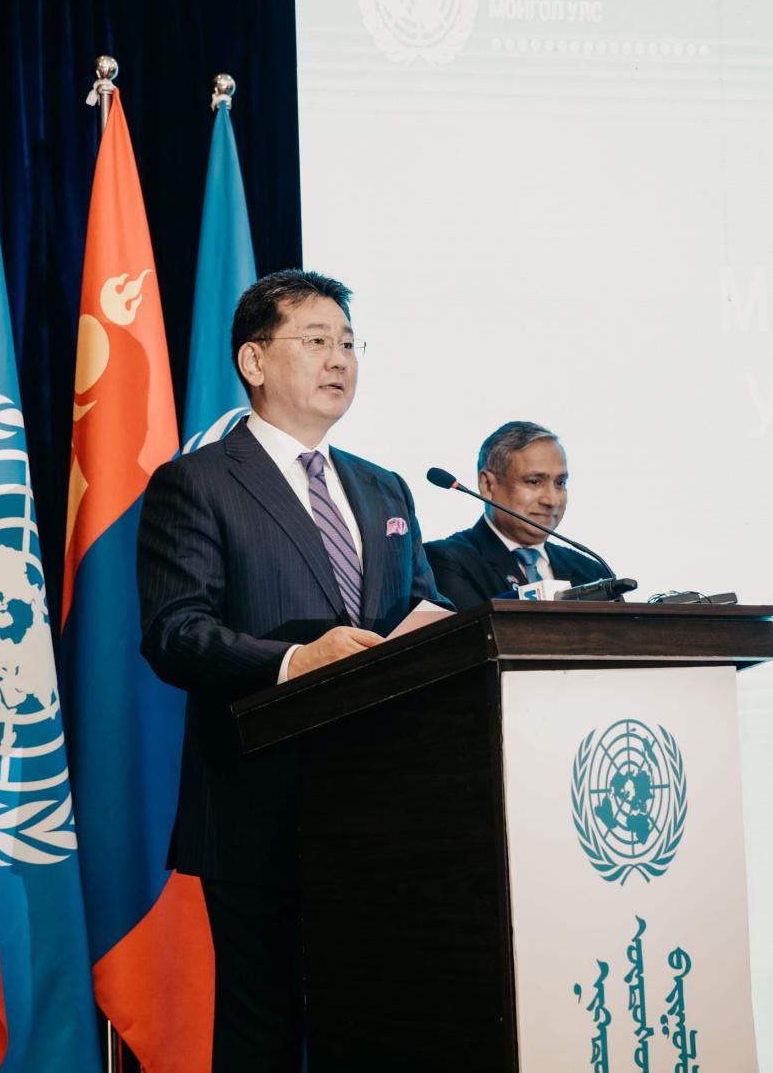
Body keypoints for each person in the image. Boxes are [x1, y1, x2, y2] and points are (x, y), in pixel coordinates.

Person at [137, 269, 445, 1071]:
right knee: (264, 1032)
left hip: (383, 810)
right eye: (316, 340)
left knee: (375, 1025)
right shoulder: (197, 484)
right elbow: (175, 633)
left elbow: (420, 613)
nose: (339, 358)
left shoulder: (384, 487)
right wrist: (294, 662)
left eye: (348, 342)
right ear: (254, 361)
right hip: (257, 804)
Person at [424, 420, 603, 609]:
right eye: (534, 481)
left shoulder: (593, 572)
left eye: (560, 483)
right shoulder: (445, 561)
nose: (552, 500)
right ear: (488, 485)